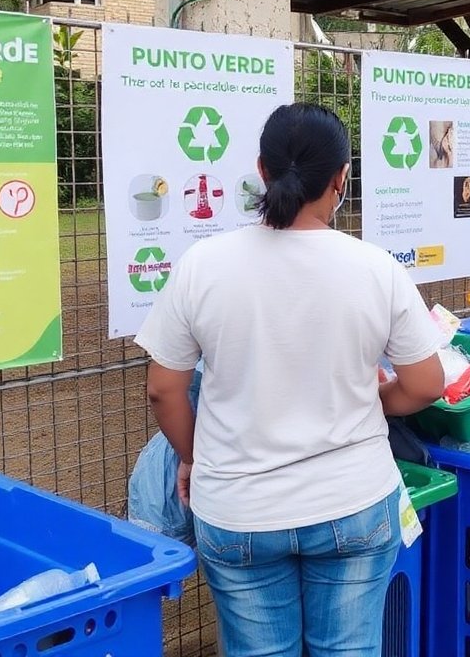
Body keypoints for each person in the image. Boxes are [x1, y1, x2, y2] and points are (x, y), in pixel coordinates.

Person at [133, 103, 446, 657]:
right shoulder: (377, 268)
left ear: (261, 169)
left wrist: (194, 455)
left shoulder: (203, 265)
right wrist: (379, 397)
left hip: (237, 507)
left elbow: (164, 388)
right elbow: (424, 384)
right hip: (352, 501)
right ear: (341, 179)